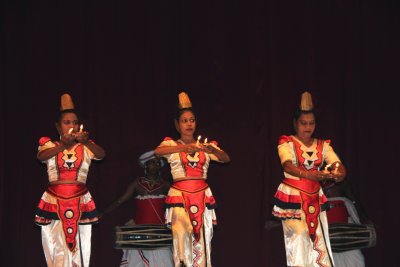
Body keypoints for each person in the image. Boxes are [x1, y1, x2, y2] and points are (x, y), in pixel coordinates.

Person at [154, 92, 230, 267]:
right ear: (177, 124)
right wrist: (185, 147)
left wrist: (213, 151)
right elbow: (157, 151)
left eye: (192, 120)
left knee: (202, 239)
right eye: (184, 120)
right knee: (181, 233)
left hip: (202, 197)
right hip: (179, 196)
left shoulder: (205, 146)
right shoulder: (172, 145)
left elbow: (226, 159)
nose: (189, 124)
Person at [271, 91, 345, 267]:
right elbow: (287, 166)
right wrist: (310, 175)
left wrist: (340, 173)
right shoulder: (287, 143)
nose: (307, 127)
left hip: (314, 197)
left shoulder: (323, 145)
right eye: (303, 123)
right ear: (295, 124)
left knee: (318, 240)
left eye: (311, 123)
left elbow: (337, 164)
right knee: (298, 239)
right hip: (293, 197)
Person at [35, 93, 105, 267]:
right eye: (67, 122)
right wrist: (63, 146)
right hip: (54, 200)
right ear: (58, 127)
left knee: (81, 247)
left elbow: (101, 155)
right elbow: (41, 156)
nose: (72, 126)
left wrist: (87, 142)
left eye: (75, 123)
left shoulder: (86, 146)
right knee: (57, 247)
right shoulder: (50, 145)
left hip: (80, 200)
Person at [100, 150, 173, 267]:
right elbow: (119, 201)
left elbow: (176, 206)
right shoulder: (137, 184)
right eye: (152, 162)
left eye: (157, 163)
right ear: (145, 165)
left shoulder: (166, 185)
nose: (155, 165)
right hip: (139, 232)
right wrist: (103, 212)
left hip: (159, 234)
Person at [322, 179, 373, 267]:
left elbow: (353, 199)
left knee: (356, 260)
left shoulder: (342, 182)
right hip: (324, 230)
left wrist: (364, 218)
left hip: (346, 231)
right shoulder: (315, 180)